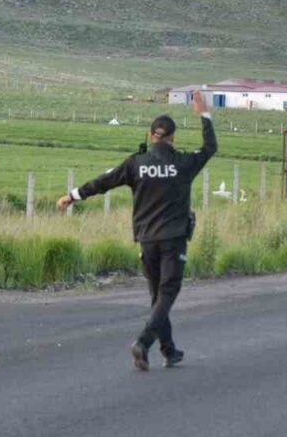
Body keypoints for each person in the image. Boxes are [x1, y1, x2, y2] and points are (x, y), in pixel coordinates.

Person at [57, 90, 217, 371]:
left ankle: (169, 350)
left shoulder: (136, 164)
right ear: (172, 138)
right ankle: (143, 342)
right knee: (168, 293)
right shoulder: (182, 164)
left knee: (157, 297)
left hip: (146, 240)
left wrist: (72, 196)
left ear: (150, 134)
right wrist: (204, 115)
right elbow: (209, 148)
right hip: (174, 239)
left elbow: (104, 182)